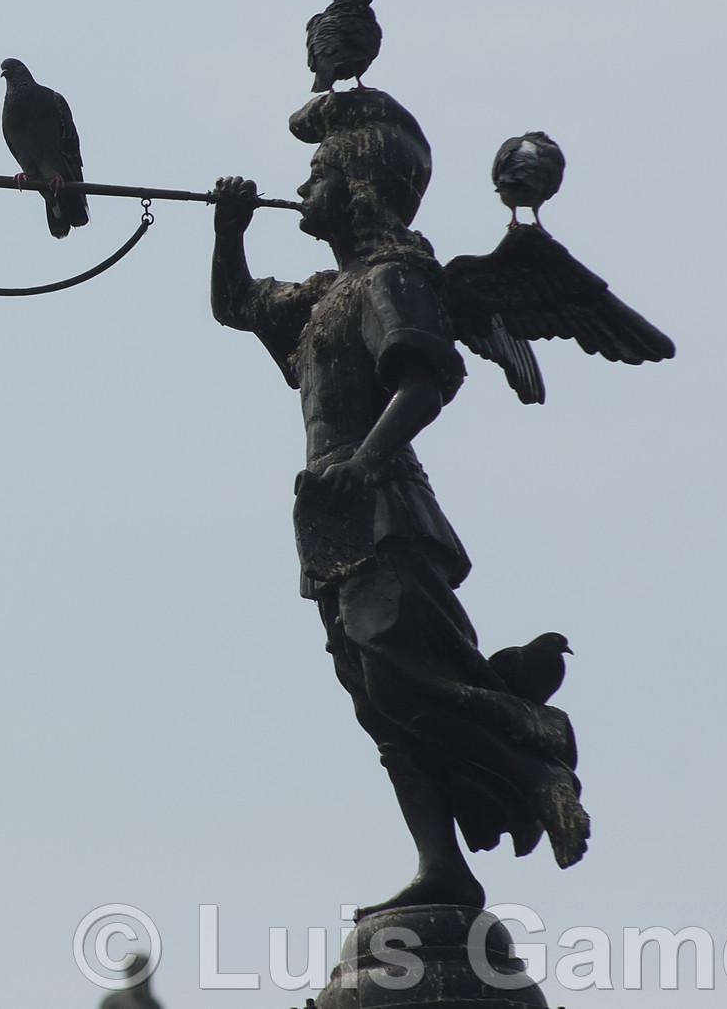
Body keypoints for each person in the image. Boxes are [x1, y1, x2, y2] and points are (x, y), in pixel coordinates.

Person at [209, 91, 586, 918]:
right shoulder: (324, 294)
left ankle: (534, 760)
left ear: (358, 185)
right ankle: (440, 863)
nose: (304, 188)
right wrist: (228, 231)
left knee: (399, 670)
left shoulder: (387, 279)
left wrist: (368, 463)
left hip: (384, 510)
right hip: (332, 521)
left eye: (317, 175)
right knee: (378, 701)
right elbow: (235, 306)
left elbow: (426, 378)